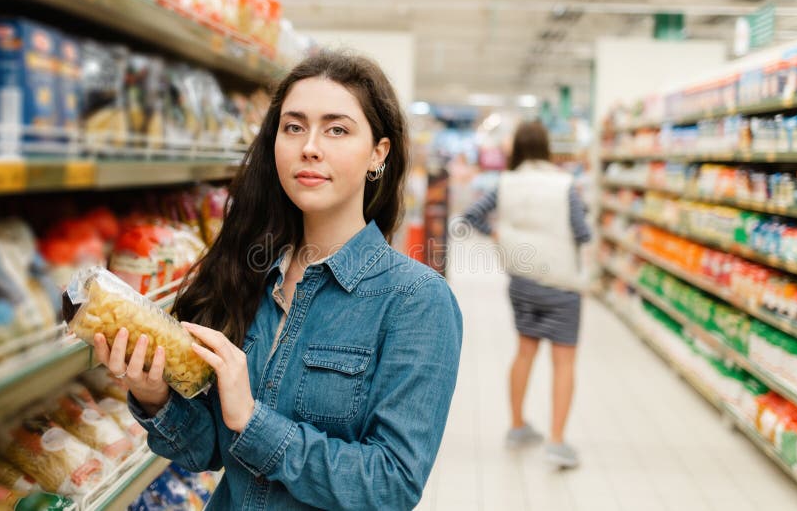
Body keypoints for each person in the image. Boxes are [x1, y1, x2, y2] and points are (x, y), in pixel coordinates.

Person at [92, 51, 463, 510]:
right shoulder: (248, 274)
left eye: (337, 129)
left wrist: (253, 421)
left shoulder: (416, 301)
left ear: (377, 154)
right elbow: (206, 451)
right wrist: (153, 394)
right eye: (294, 126)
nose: (310, 146)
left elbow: (391, 485)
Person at [460, 120, 590, 468]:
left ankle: (517, 426)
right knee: (563, 362)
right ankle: (557, 442)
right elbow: (581, 231)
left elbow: (472, 215)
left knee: (524, 352)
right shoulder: (565, 185)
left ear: (516, 148)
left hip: (522, 280)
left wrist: (499, 236)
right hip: (562, 283)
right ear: (547, 146)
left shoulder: (506, 183)